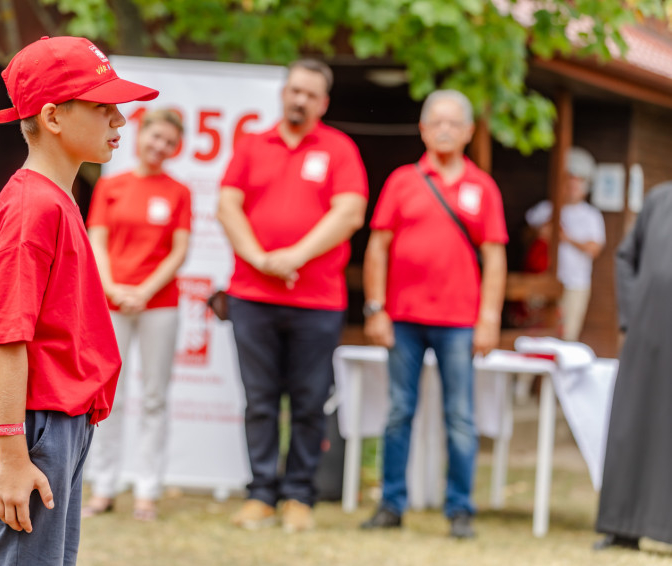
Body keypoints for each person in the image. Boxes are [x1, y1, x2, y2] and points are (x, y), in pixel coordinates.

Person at [0, 36, 158, 565]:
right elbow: (4, 338)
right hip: (29, 419)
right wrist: (13, 456)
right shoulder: (33, 209)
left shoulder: (56, 198)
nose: (120, 119)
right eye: (102, 106)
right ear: (52, 117)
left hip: (52, 416)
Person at [217, 59, 368, 533]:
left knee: (308, 401)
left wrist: (294, 256)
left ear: (323, 103)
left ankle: (300, 494)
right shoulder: (252, 145)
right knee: (260, 400)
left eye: (310, 94)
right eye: (295, 90)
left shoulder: (339, 149)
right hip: (252, 295)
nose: (300, 99)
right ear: (284, 94)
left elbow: (350, 213)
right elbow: (227, 205)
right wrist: (259, 258)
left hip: (317, 301)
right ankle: (261, 493)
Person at [360, 89, 508, 539]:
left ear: (469, 131)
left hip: (460, 321)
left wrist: (489, 318)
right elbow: (377, 248)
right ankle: (391, 503)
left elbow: (495, 257)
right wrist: (375, 308)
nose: (444, 130)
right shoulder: (402, 181)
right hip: (403, 317)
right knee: (398, 412)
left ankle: (460, 508)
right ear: (423, 130)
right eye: (436, 122)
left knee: (460, 416)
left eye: (453, 123)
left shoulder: (483, 187)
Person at [82, 109, 191, 522]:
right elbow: (97, 240)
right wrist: (112, 288)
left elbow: (178, 251)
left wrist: (145, 291)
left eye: (169, 142)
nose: (160, 146)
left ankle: (147, 490)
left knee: (154, 397)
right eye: (155, 137)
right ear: (141, 133)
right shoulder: (111, 185)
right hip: (112, 302)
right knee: (109, 396)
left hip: (159, 305)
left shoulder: (179, 192)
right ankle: (103, 486)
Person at [594, 181, 672, 551]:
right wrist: (633, 315)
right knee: (634, 425)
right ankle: (623, 525)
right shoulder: (661, 199)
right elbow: (626, 257)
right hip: (649, 333)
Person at [525, 147, 605, 341]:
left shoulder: (591, 215)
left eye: (578, 181)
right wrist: (540, 232)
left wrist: (566, 238)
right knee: (536, 332)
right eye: (569, 179)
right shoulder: (545, 208)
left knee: (566, 335)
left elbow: (594, 249)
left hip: (575, 284)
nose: (573, 185)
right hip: (542, 281)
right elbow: (525, 237)